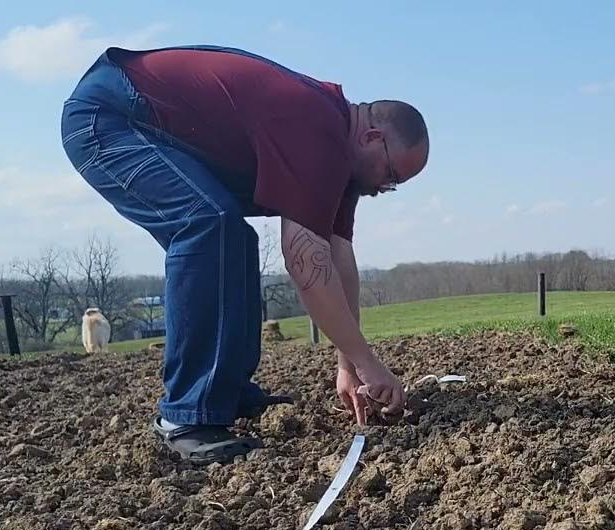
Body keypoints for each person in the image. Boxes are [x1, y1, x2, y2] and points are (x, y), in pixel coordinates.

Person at [60, 45, 426, 465]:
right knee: (208, 222)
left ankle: (226, 392)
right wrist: (369, 362)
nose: (384, 188)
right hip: (108, 116)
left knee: (229, 232)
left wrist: (350, 365)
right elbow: (305, 261)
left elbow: (338, 258)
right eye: (391, 175)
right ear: (372, 137)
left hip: (130, 111)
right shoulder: (318, 131)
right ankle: (185, 416)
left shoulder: (338, 157)